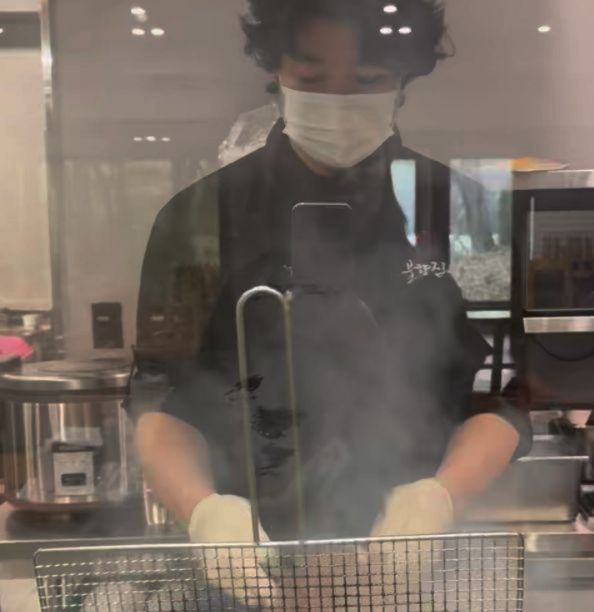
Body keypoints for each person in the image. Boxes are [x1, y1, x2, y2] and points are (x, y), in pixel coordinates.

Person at [133, 0, 530, 546]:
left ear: (402, 82)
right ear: (277, 72)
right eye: (312, 78)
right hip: (248, 557)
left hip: (412, 552)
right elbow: (159, 395)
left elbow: (502, 392)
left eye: (366, 80)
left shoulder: (457, 210)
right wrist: (206, 515)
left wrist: (439, 499)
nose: (339, 103)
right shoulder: (200, 216)